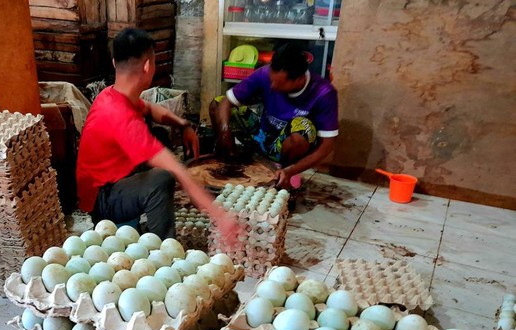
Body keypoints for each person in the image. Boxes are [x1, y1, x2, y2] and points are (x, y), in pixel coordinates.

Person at [76, 28, 239, 241]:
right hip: (101, 199)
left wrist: (184, 125)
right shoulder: (120, 116)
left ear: (115, 63)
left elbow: (151, 109)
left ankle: (138, 216)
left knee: (159, 136)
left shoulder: (112, 94)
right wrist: (220, 216)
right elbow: (176, 170)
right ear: (147, 66)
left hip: (111, 180)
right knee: (161, 179)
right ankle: (161, 248)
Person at [211, 43, 339, 189]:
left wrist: (291, 171)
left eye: (279, 83)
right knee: (218, 104)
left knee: (303, 128)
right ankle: (230, 156)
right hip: (261, 136)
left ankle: (282, 171)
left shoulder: (324, 93)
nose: (272, 86)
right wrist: (224, 131)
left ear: (298, 79)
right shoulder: (264, 74)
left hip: (286, 148)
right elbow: (227, 102)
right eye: (271, 80)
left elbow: (327, 146)